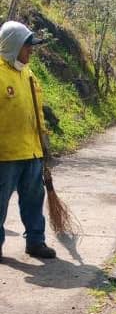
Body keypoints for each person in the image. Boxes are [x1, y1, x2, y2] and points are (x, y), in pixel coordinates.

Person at [0, 20, 56, 261]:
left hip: (32, 153)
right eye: (27, 46)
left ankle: (36, 241)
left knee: (34, 201)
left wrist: (44, 141)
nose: (31, 50)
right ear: (13, 45)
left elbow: (37, 111)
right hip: (5, 155)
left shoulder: (29, 74)